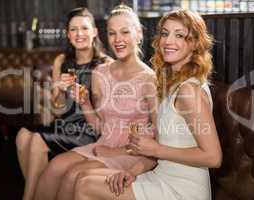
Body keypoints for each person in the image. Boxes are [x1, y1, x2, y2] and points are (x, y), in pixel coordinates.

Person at [73, 9, 223, 200]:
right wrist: (132, 172)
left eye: (179, 35)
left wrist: (157, 149)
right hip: (162, 176)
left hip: (182, 189)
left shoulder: (189, 90)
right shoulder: (171, 84)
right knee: (84, 179)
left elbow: (213, 157)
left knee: (85, 186)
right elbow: (158, 149)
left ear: (193, 43)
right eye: (165, 33)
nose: (168, 41)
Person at [33, 4, 158, 200]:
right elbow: (100, 127)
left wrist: (115, 150)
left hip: (132, 152)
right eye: (112, 33)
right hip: (103, 143)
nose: (117, 40)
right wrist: (85, 103)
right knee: (55, 166)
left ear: (139, 33)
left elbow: (158, 139)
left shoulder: (149, 79)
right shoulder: (100, 73)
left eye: (124, 32)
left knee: (73, 175)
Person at [15, 7, 111, 200]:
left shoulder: (105, 64)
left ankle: (29, 196)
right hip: (65, 124)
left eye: (84, 28)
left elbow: (108, 114)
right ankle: (42, 193)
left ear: (94, 32)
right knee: (23, 135)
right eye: (73, 30)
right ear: (68, 34)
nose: (79, 34)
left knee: (36, 140)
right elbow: (57, 108)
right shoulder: (62, 61)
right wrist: (57, 88)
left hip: (88, 131)